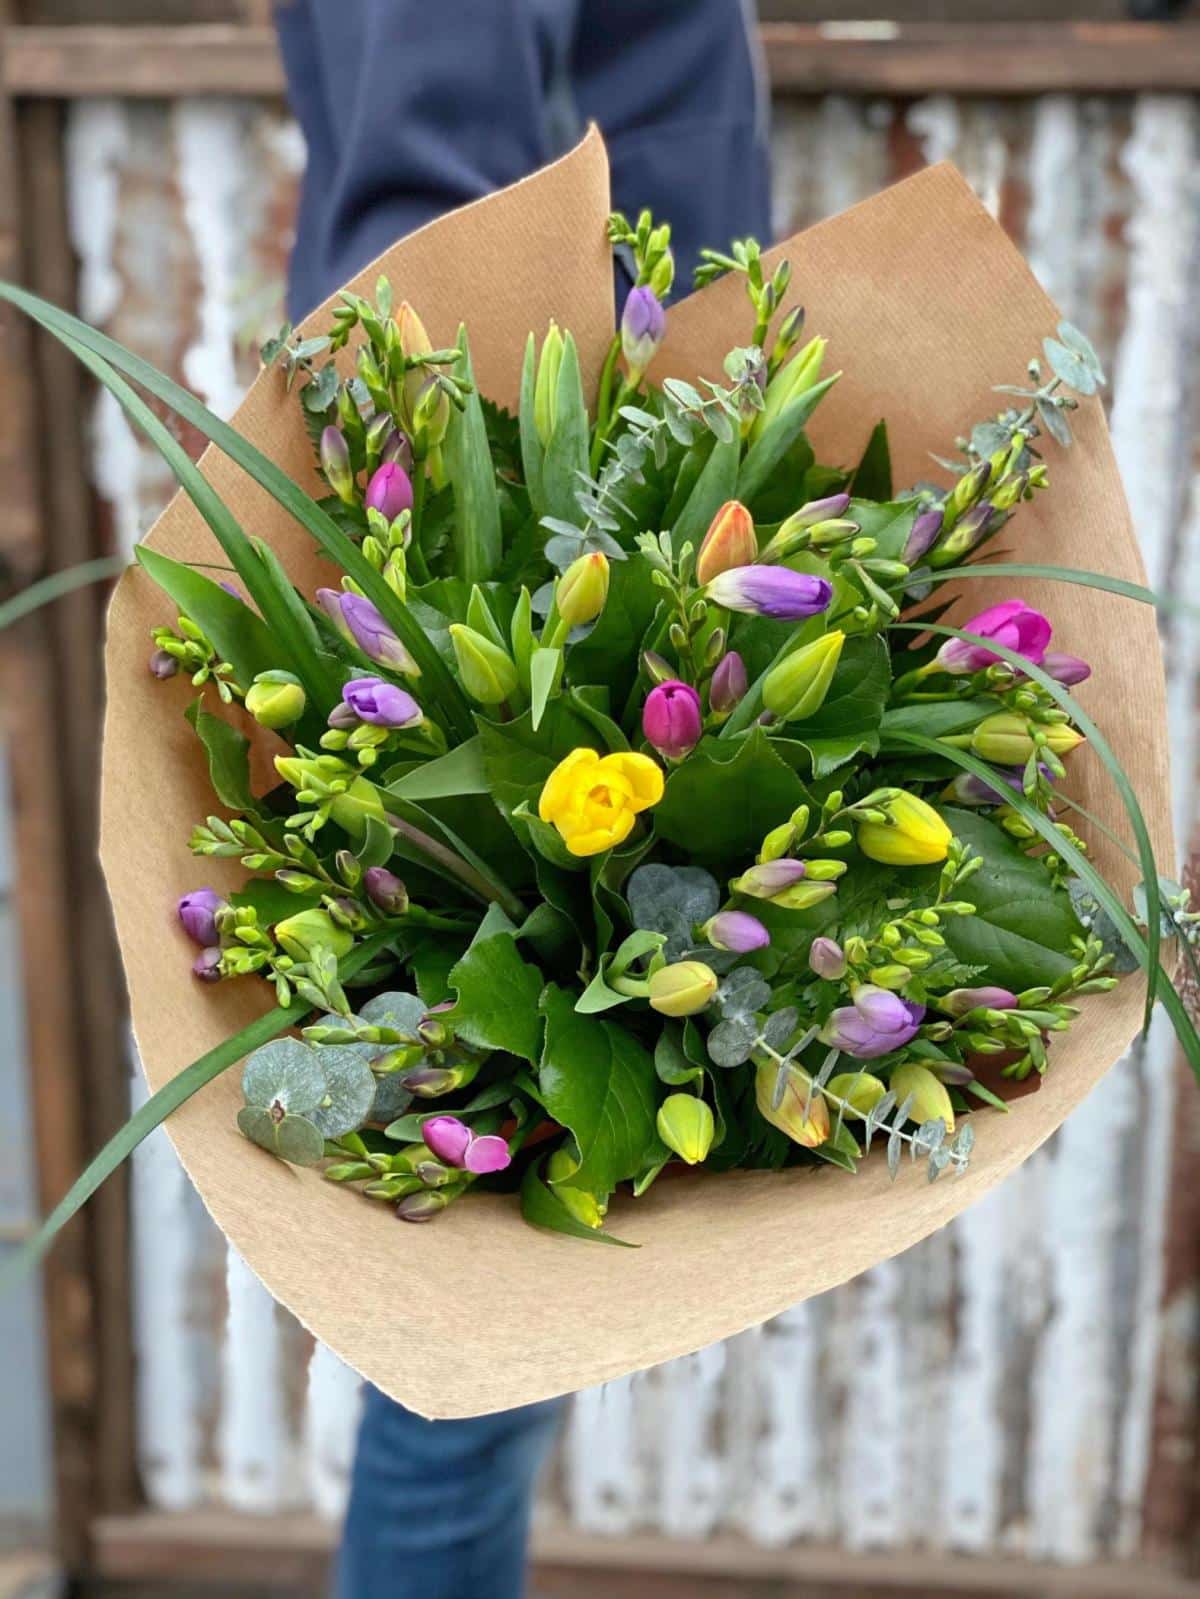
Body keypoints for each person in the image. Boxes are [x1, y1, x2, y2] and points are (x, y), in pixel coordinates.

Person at [273, 4, 773, 1595]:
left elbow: (666, 107)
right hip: (492, 581)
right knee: (471, 1325)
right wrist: (475, 562)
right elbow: (436, 226)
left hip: (619, 565)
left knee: (489, 1325)